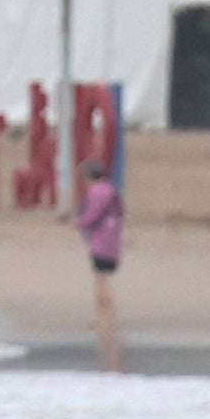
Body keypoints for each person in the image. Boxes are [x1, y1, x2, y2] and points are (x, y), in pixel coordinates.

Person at [75, 155, 124, 372]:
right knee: (102, 279)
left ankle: (106, 318)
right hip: (112, 239)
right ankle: (105, 317)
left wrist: (80, 223)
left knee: (100, 280)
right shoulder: (112, 190)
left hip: (101, 241)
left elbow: (92, 215)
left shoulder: (97, 192)